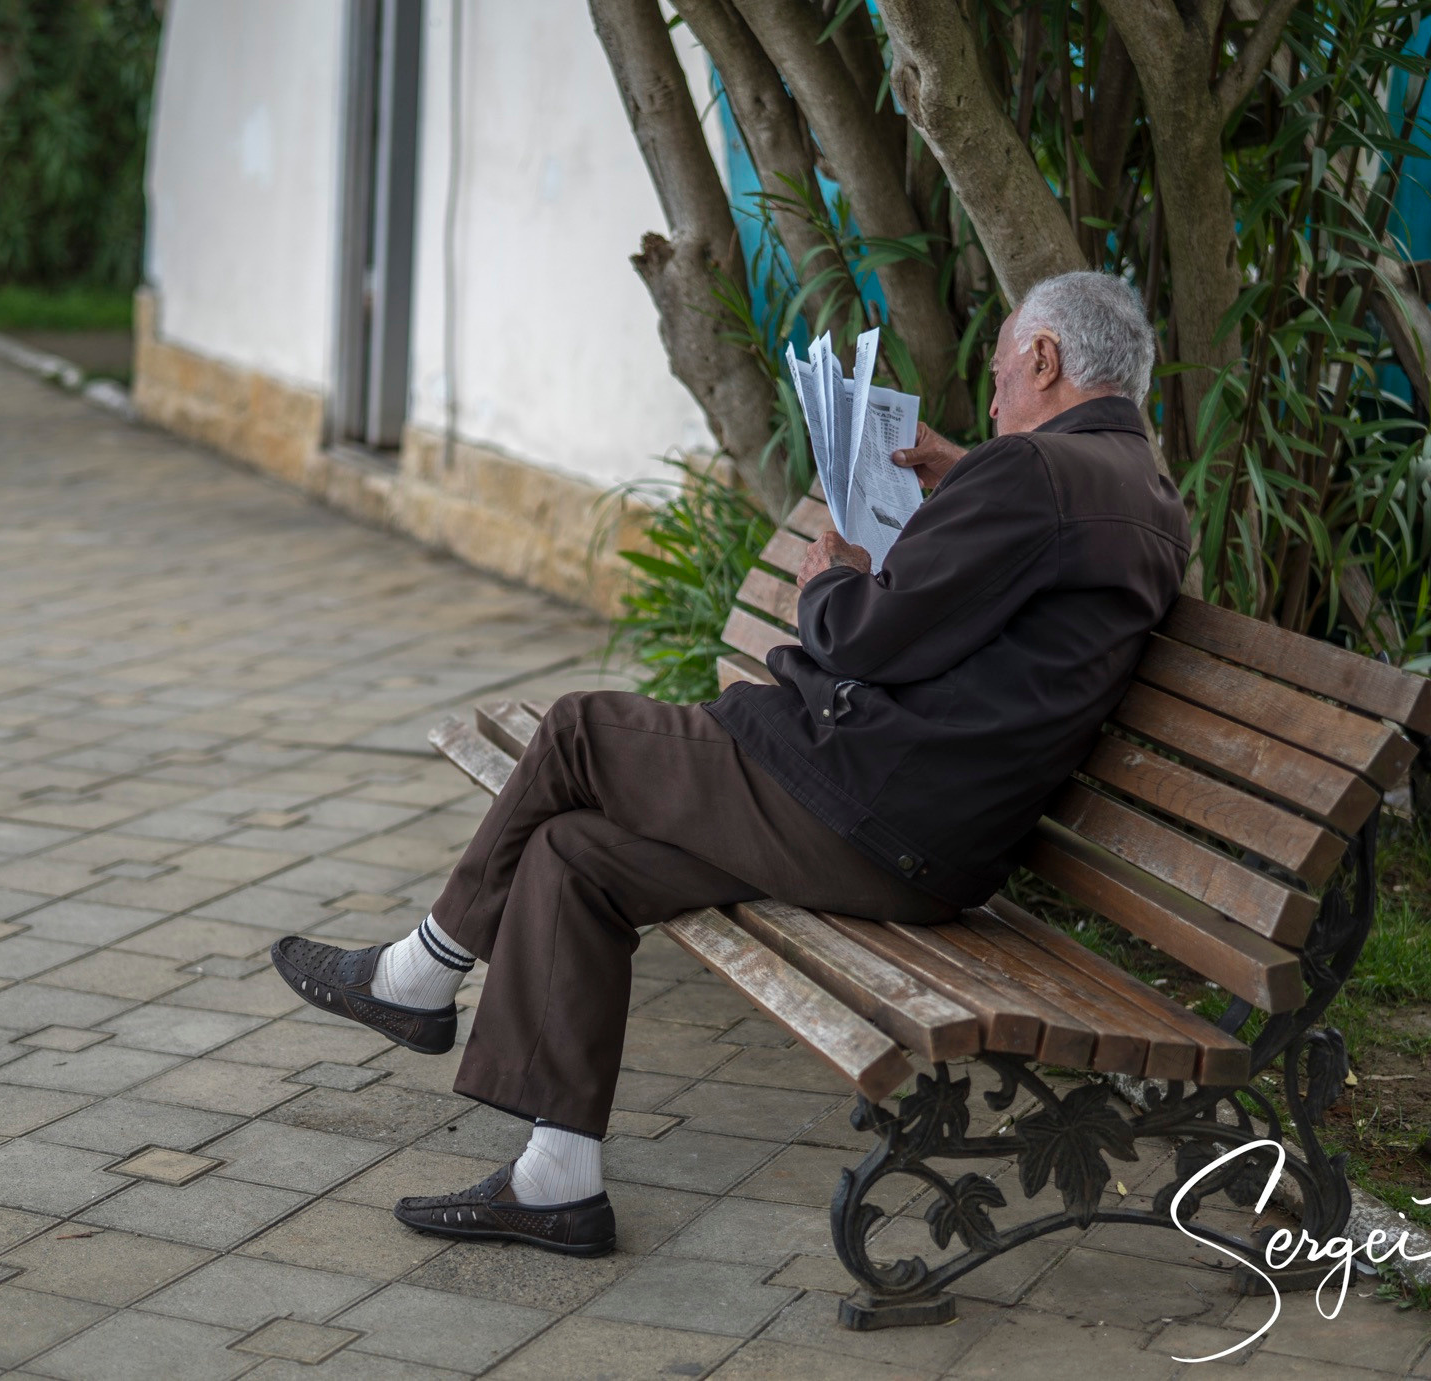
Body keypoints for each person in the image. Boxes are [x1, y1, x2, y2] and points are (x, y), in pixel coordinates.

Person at [269, 270, 1190, 1257]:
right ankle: (556, 1180)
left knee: (579, 730)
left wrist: (826, 578)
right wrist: (965, 472)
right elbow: (1041, 545)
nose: (998, 396)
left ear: (1046, 360)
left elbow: (866, 639)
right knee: (580, 853)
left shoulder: (1034, 481)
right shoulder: (1145, 501)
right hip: (927, 843)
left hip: (855, 801)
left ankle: (420, 971)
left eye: (1004, 373)